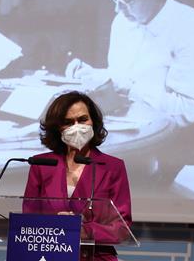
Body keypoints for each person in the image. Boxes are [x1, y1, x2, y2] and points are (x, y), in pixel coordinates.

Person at [65, 0, 194, 128]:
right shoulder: (123, 22)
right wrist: (94, 76)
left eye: (126, 1)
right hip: (134, 121)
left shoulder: (189, 28)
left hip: (182, 133)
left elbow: (187, 111)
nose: (118, 9)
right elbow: (124, 78)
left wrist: (128, 89)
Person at [24, 91, 132, 261]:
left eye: (82, 120)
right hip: (49, 256)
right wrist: (56, 225)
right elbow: (28, 220)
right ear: (57, 128)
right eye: (68, 122)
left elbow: (122, 227)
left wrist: (84, 230)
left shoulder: (113, 167)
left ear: (93, 122)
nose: (76, 127)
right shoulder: (41, 164)